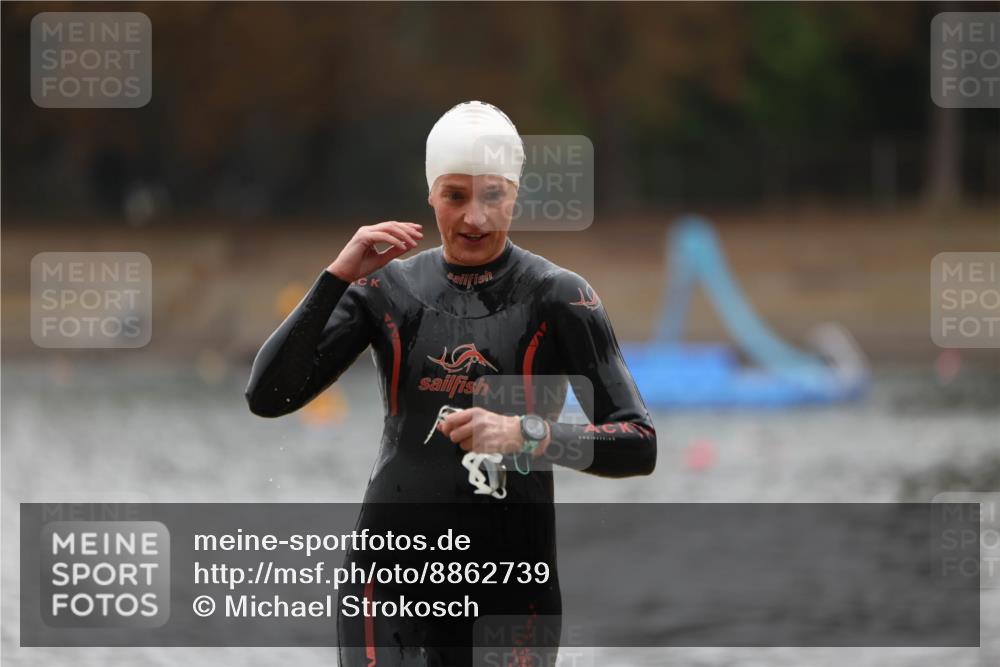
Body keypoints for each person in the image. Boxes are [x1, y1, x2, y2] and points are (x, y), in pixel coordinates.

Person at [246, 101, 656, 666]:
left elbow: (638, 442)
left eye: (493, 196)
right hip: (388, 582)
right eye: (455, 196)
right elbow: (268, 397)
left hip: (512, 589)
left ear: (516, 194)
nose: (475, 218)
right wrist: (337, 277)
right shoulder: (385, 289)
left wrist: (528, 436)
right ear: (431, 196)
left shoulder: (559, 296)